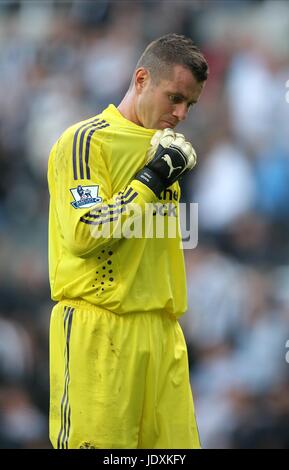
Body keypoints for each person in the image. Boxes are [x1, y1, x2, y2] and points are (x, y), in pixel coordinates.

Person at [48, 33, 208, 449]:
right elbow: (85, 232)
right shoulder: (85, 141)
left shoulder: (169, 150)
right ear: (141, 79)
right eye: (174, 97)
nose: (181, 113)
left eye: (189, 104)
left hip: (163, 331)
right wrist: (152, 179)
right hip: (100, 329)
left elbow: (160, 235)